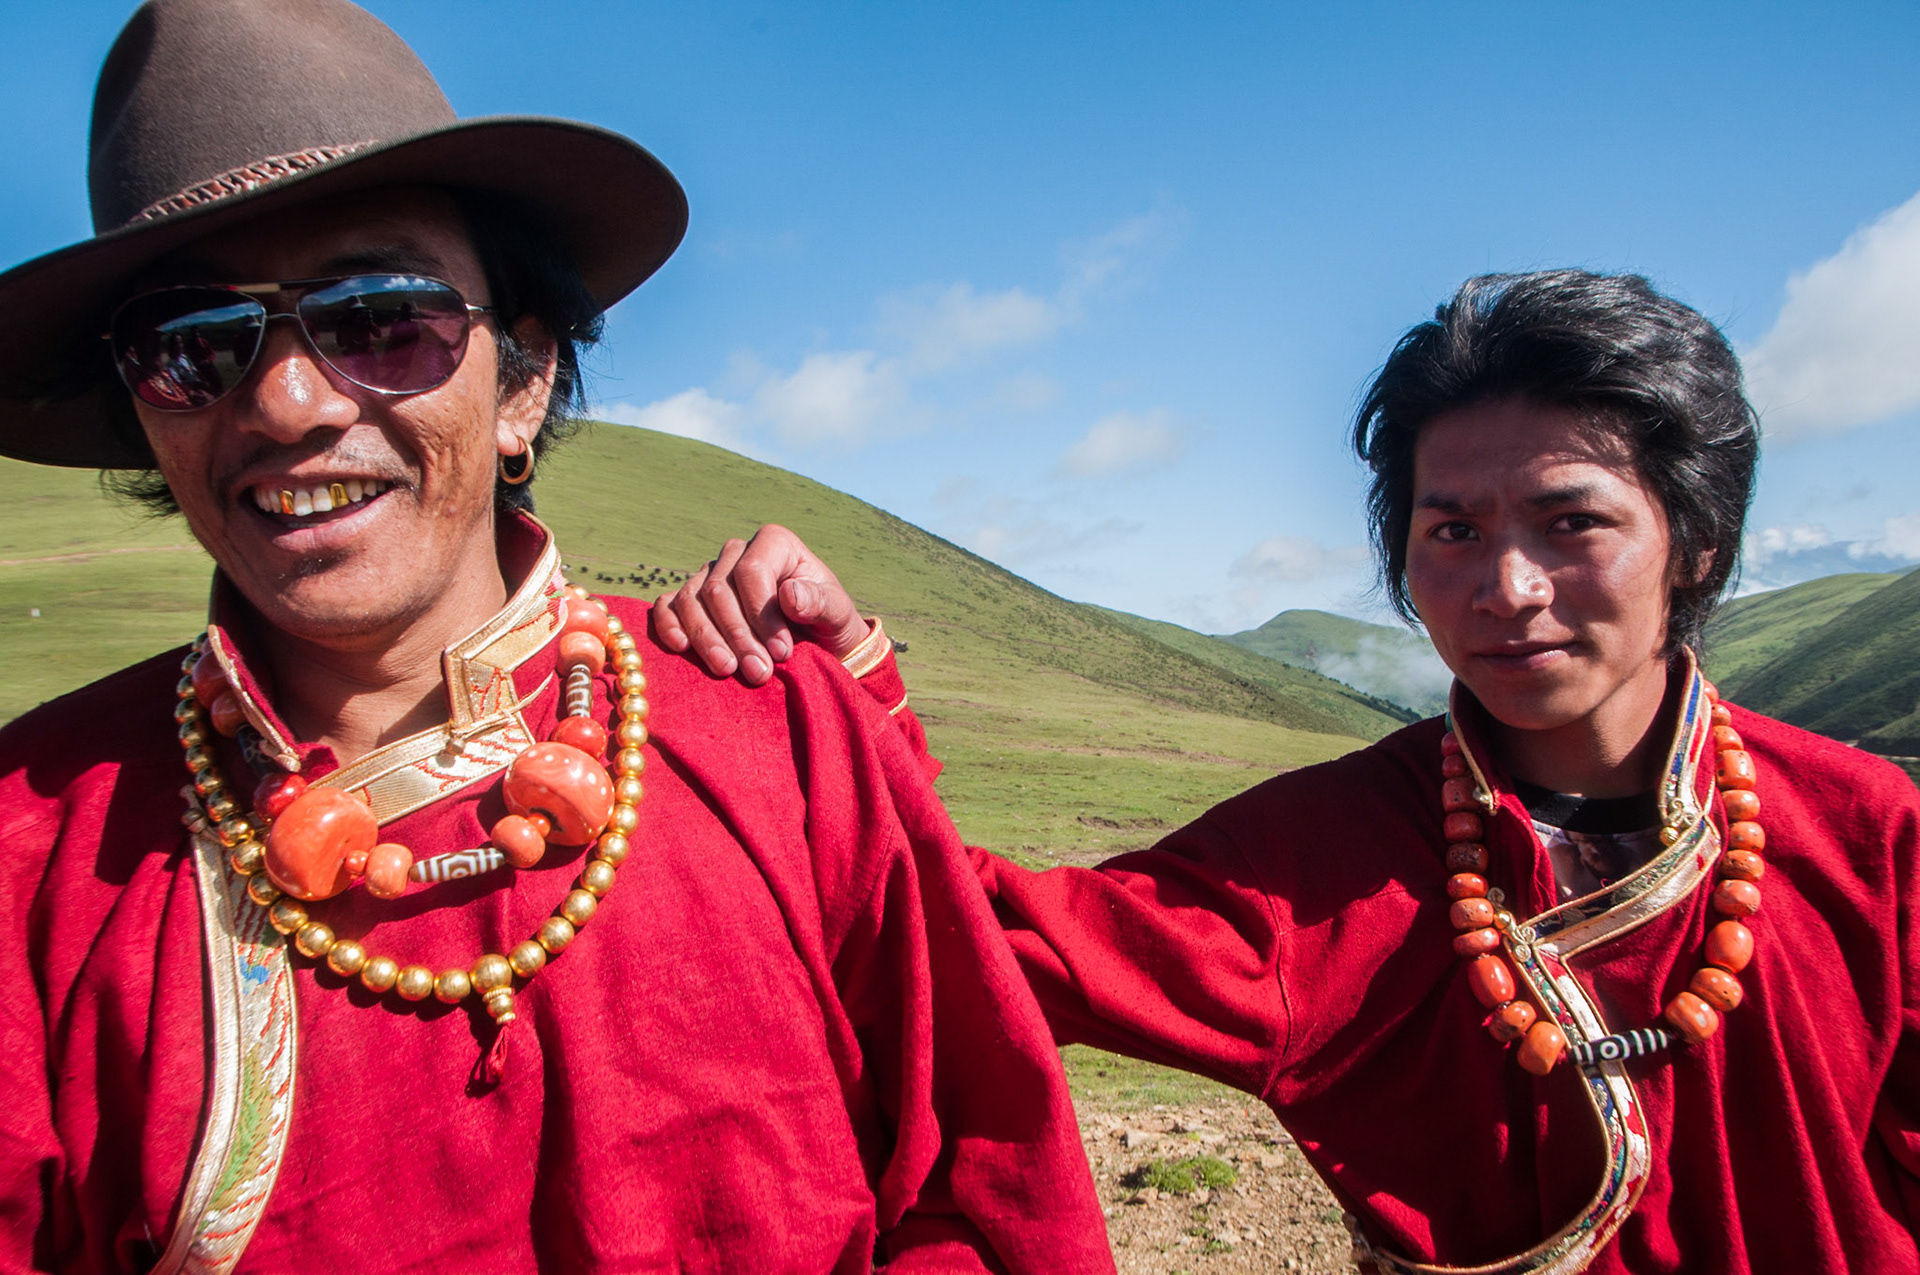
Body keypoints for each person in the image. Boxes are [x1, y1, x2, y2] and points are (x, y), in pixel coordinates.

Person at [0, 2, 1113, 1272]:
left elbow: (984, 1190)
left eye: (378, 318)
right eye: (193, 349)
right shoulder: (31, 853)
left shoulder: (778, 735)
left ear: (523, 379)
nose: (289, 402)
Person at [662, 269, 1920, 1273]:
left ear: (1694, 546)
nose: (1507, 589)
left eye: (1573, 521)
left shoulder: (1873, 836)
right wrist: (851, 680)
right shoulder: (1317, 867)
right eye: (1454, 531)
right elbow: (974, 939)